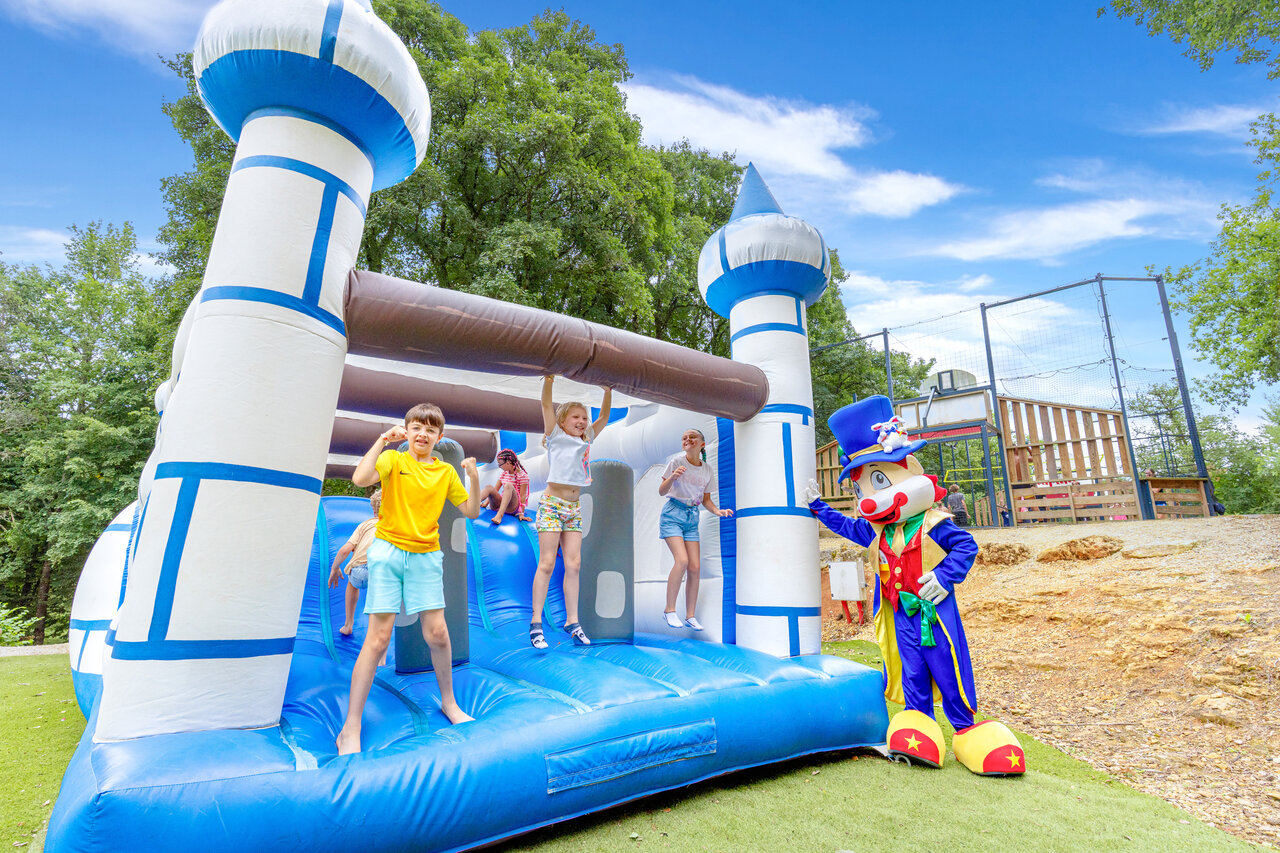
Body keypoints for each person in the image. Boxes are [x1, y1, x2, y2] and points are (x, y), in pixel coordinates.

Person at [336, 403, 480, 755]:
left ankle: (449, 703)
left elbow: (472, 511)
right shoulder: (393, 460)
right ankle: (350, 727)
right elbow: (360, 478)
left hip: (426, 555)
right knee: (378, 638)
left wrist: (474, 477)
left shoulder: (445, 472)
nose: (422, 434)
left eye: (430, 430)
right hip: (387, 552)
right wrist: (383, 440)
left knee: (439, 634)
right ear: (407, 430)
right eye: (416, 427)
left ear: (439, 437)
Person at [529, 375, 612, 650]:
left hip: (574, 508)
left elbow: (604, 417)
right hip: (552, 504)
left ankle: (572, 621)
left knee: (574, 564)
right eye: (576, 417)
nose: (582, 422)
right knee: (548, 563)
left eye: (584, 418)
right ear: (563, 420)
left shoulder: (586, 439)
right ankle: (536, 623)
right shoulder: (556, 436)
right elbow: (545, 403)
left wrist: (607, 390)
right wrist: (549, 379)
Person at [659, 428, 733, 631]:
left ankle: (690, 615)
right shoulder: (676, 463)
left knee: (694, 567)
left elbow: (706, 500)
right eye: (684, 437)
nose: (687, 439)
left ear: (702, 444)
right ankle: (669, 610)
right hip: (673, 514)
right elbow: (661, 491)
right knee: (681, 561)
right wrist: (672, 477)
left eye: (693, 437)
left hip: (692, 517)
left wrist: (717, 511)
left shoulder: (707, 470)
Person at [327, 489, 382, 637]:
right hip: (379, 570)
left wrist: (335, 568)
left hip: (358, 570)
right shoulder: (392, 525)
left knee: (352, 586)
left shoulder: (364, 525)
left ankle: (348, 624)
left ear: (373, 508)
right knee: (377, 596)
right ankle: (374, 632)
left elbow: (345, 550)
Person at [480, 448, 531, 525]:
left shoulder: (523, 476)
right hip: (499, 505)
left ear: (508, 463)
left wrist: (521, 513)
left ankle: (499, 516)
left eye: (500, 464)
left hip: (512, 507)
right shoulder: (504, 474)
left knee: (508, 485)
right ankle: (471, 503)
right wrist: (486, 503)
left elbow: (523, 496)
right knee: (489, 487)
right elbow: (495, 489)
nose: (499, 467)